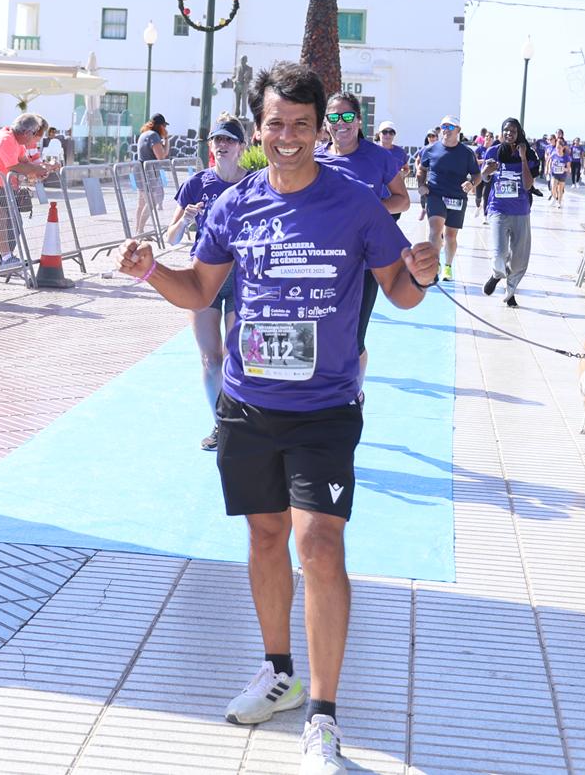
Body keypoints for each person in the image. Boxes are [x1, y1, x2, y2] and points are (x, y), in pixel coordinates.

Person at [118, 63, 437, 775]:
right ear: (258, 128)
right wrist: (148, 270)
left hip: (324, 408)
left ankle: (323, 715)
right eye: (275, 124)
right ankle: (280, 671)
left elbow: (401, 292)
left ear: (321, 128)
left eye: (301, 124)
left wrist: (422, 270)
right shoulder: (235, 205)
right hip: (246, 403)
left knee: (319, 547)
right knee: (265, 540)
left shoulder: (357, 204)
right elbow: (200, 287)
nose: (287, 136)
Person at [164, 115, 248, 451]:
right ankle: (221, 425)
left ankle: (242, 421)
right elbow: (170, 239)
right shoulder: (198, 183)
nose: (222, 145)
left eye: (229, 140)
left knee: (235, 357)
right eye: (217, 140)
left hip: (243, 278)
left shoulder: (254, 183)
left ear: (242, 146)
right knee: (211, 359)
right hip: (203, 277)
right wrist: (184, 220)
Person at [317, 92, 411, 388]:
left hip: (365, 263)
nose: (340, 123)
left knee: (354, 336)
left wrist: (370, 210)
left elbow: (403, 201)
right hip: (321, 262)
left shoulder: (378, 157)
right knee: (321, 331)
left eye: (347, 116)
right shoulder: (315, 158)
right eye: (333, 117)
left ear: (359, 121)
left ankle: (353, 394)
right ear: (326, 123)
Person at [0, 112, 53, 274]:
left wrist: (38, 170)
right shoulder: (6, 139)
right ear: (26, 132)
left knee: (7, 222)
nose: (33, 139)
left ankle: (3, 260)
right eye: (34, 134)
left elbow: (25, 163)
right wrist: (36, 170)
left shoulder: (16, 141)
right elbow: (14, 167)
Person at [479, 119, 540, 306]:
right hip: (498, 208)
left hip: (521, 211)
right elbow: (483, 176)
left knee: (519, 258)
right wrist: (487, 171)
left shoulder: (529, 155)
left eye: (513, 130)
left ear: (519, 133)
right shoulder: (493, 151)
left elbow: (528, 184)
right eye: (505, 130)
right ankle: (497, 274)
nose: (509, 133)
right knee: (499, 253)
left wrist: (522, 158)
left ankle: (510, 290)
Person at [417, 117, 479, 282]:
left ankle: (448, 266)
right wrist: (421, 184)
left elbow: (477, 175)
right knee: (435, 230)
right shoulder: (431, 149)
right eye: (443, 126)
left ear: (458, 130)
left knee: (450, 235)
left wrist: (471, 183)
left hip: (457, 197)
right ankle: (434, 264)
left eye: (450, 126)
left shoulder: (466, 153)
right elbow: (421, 170)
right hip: (435, 194)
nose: (446, 129)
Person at [544, 128, 570, 209]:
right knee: (553, 186)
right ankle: (554, 199)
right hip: (554, 173)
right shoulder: (553, 154)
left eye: (559, 147)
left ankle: (559, 202)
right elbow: (548, 161)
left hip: (562, 174)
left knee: (560, 189)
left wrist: (564, 169)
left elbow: (568, 168)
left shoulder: (566, 157)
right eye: (556, 147)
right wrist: (547, 169)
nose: (557, 149)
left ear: (563, 148)